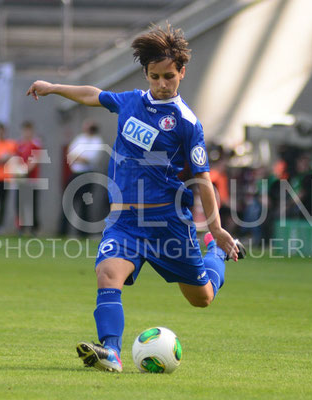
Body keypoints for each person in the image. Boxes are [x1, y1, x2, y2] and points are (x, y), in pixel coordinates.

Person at [27, 24, 244, 373]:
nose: (162, 84)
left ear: (182, 73)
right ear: (145, 73)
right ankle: (110, 351)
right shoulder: (130, 102)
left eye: (169, 77)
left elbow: (203, 180)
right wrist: (54, 88)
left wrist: (217, 230)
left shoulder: (187, 123)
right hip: (125, 221)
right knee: (107, 274)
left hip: (168, 224)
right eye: (155, 76)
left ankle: (214, 252)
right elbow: (91, 94)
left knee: (201, 298)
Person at [59, 120, 104, 237]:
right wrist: (79, 157)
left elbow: (89, 159)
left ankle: (83, 233)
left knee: (85, 203)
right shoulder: (80, 138)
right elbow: (70, 154)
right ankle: (62, 231)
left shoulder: (97, 141)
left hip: (87, 174)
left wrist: (78, 157)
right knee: (68, 202)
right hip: (75, 173)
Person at [16, 121, 42, 234]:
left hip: (32, 180)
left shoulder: (35, 144)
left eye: (29, 130)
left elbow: (34, 161)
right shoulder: (19, 145)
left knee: (32, 205)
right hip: (20, 180)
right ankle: (21, 228)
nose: (27, 133)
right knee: (20, 204)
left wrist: (24, 170)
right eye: (25, 130)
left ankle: (34, 228)